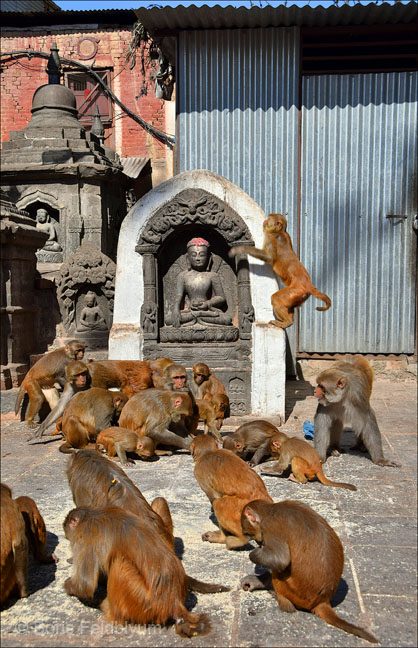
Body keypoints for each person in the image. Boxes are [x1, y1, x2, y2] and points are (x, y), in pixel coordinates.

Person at [169, 237, 231, 327]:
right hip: (189, 312)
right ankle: (196, 317)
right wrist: (176, 310)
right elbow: (178, 296)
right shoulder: (182, 276)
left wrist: (207, 304)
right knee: (169, 319)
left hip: (207, 312)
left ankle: (197, 317)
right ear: (187, 258)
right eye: (194, 255)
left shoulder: (213, 276)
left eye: (202, 255)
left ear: (209, 258)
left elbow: (221, 297)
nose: (198, 258)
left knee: (227, 319)